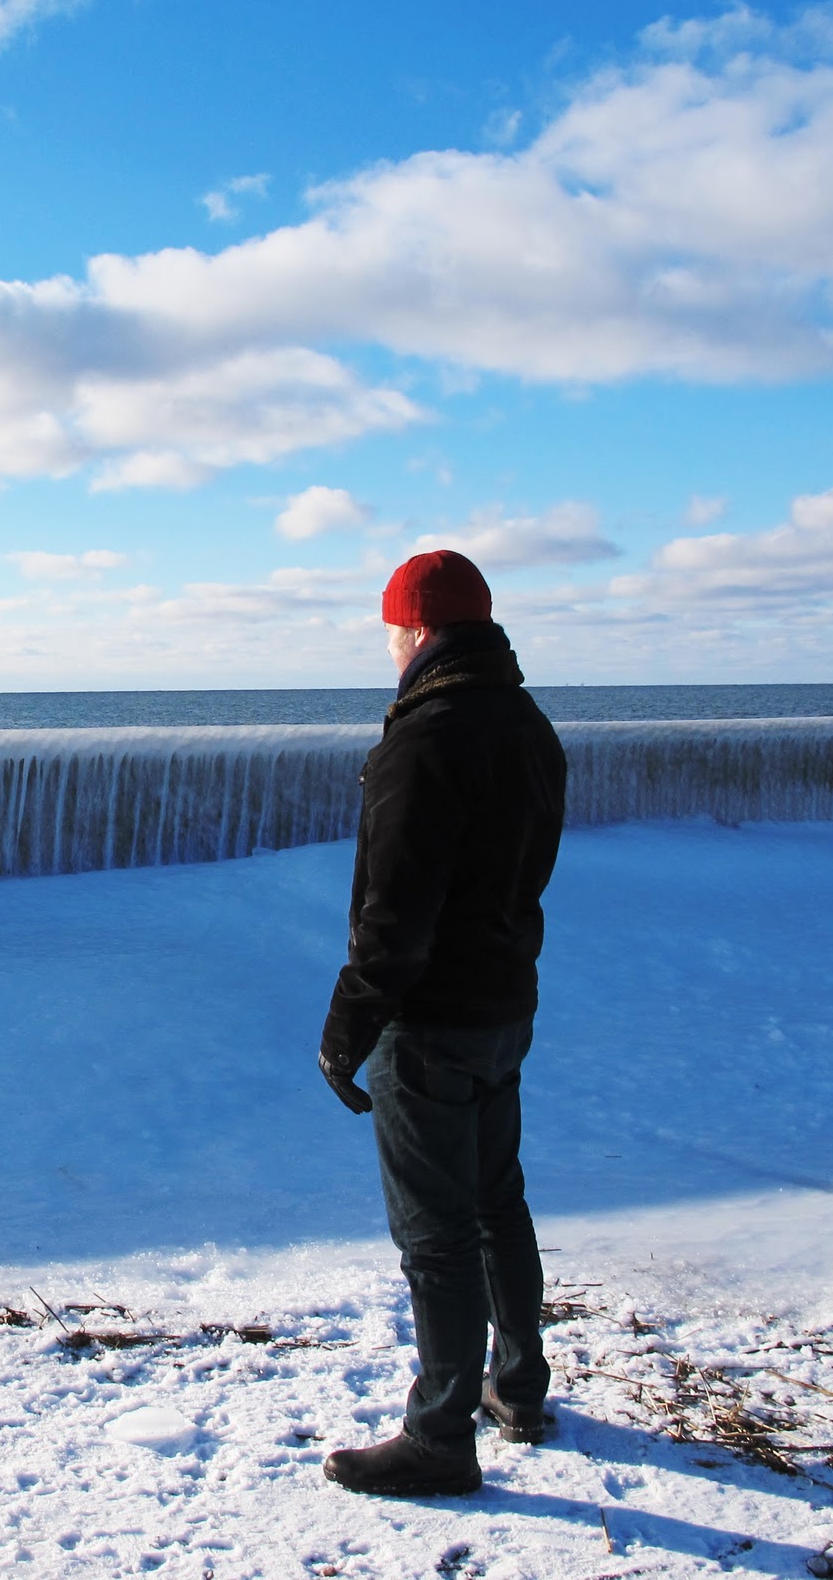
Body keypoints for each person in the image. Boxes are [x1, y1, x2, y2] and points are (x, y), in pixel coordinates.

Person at [317, 550, 567, 1497]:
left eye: (391, 632)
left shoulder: (424, 740)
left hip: (428, 1021)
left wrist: (346, 1031)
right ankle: (519, 1389)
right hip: (504, 1004)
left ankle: (439, 1439)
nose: (387, 648)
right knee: (497, 1200)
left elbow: (394, 918)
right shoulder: (529, 726)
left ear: (417, 629)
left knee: (436, 1235)